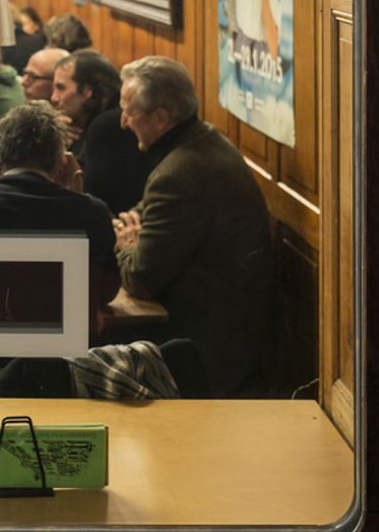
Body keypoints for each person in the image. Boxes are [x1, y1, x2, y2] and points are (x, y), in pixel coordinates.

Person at [115, 56, 274, 397]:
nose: (122, 122)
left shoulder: (179, 173)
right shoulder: (202, 141)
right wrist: (135, 235)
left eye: (130, 113)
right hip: (229, 328)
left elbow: (140, 280)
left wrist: (128, 244)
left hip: (211, 344)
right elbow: (138, 213)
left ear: (161, 117)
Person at [0, 101, 119, 394]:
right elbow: (106, 292)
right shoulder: (91, 212)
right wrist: (77, 196)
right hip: (67, 378)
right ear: (61, 162)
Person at [51, 49, 155, 215]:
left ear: (87, 91)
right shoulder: (93, 119)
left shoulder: (108, 125)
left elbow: (88, 194)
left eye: (61, 88)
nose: (54, 98)